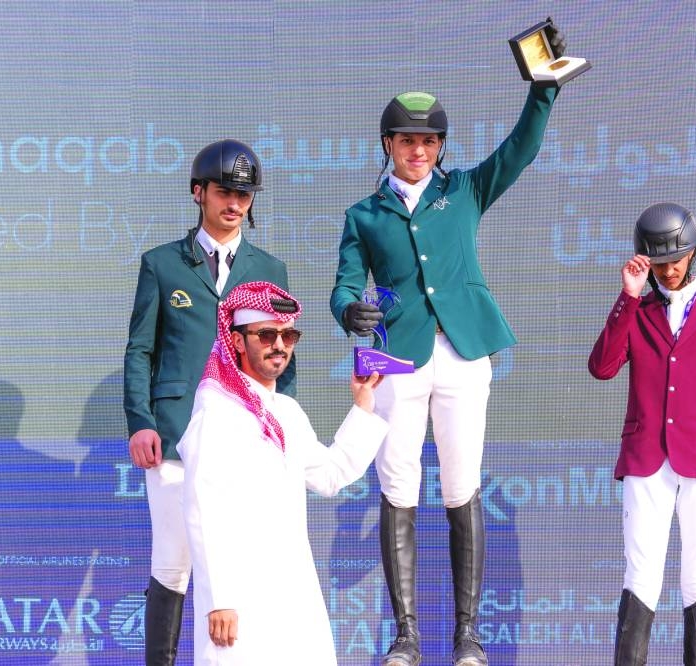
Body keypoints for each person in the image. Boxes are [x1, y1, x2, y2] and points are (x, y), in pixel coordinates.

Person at [329, 23, 570, 666]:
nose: (420, 149)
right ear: (389, 144)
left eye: (430, 140)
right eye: (408, 140)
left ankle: (467, 634)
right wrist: (350, 310)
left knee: (461, 484)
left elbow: (517, 152)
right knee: (397, 486)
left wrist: (542, 92)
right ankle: (406, 634)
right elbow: (346, 285)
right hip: (392, 355)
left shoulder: (463, 188)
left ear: (439, 146)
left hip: (464, 352)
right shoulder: (364, 214)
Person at [123, 139, 294, 665]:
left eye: (244, 194)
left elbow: (279, 358)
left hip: (242, 440)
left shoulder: (270, 268)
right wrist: (140, 422)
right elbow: (140, 350)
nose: (235, 203)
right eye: (225, 191)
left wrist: (278, 433)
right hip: (174, 435)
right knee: (173, 562)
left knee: (238, 567)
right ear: (198, 192)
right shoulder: (162, 265)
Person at [587, 203, 696, 665]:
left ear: (693, 254)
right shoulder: (638, 310)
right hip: (646, 458)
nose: (668, 271)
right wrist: (627, 296)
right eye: (659, 263)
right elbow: (602, 368)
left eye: (676, 260)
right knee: (641, 575)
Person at [176, 281, 388, 665]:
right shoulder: (216, 413)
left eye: (288, 335)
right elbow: (201, 509)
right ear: (238, 341)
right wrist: (220, 598)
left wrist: (363, 406)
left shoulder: (287, 412)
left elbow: (330, 475)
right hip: (239, 599)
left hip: (293, 589)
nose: (280, 344)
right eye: (267, 334)